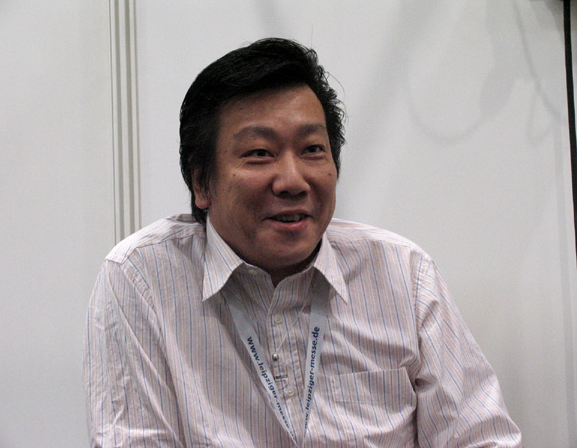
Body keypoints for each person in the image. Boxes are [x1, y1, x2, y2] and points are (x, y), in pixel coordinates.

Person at [83, 38, 522, 447]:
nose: (293, 181)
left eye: (312, 149)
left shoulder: (403, 273)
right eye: (259, 153)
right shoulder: (140, 279)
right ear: (202, 182)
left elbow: (480, 437)